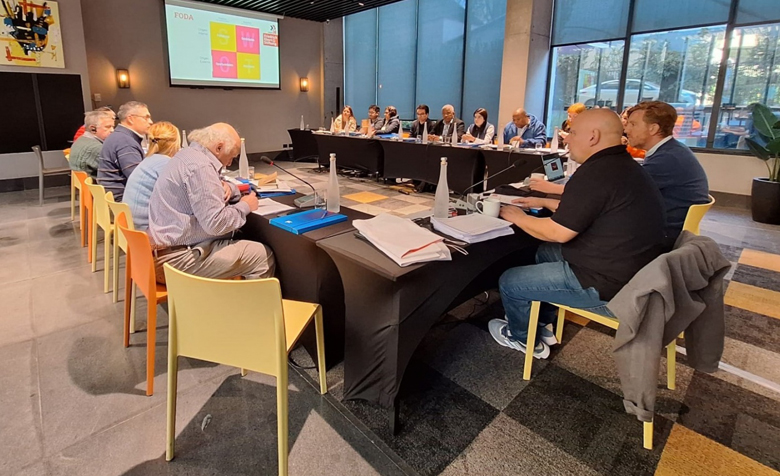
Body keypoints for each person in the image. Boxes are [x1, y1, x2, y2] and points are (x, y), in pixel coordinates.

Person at [489, 109, 666, 358]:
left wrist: (519, 217)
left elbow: (558, 232)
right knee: (545, 253)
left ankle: (523, 339)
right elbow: (588, 208)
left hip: (611, 285)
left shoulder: (596, 173)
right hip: (630, 268)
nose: (567, 139)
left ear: (593, 136)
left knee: (510, 280)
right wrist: (542, 203)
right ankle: (542, 322)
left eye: (572, 133)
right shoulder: (619, 166)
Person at [147, 123, 275, 283]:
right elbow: (215, 224)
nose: (229, 163)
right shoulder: (200, 167)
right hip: (175, 260)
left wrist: (230, 188)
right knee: (262, 255)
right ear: (219, 148)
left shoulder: (188, 155)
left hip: (163, 251)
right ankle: (246, 300)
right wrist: (246, 205)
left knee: (241, 241)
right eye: (231, 156)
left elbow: (218, 186)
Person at [624, 101, 709, 243]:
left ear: (653, 129)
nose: (626, 130)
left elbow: (623, 191)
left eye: (633, 124)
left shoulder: (667, 158)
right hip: (671, 225)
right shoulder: (673, 150)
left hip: (664, 234)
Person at [122, 121, 181, 230]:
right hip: (147, 228)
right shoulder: (166, 164)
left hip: (132, 224)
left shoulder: (148, 160)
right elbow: (182, 198)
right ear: (175, 143)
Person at [97, 101, 153, 201]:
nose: (150, 122)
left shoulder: (119, 136)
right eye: (146, 117)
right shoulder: (125, 142)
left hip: (112, 195)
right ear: (130, 119)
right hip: (121, 199)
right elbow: (139, 179)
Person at [69, 109, 115, 178]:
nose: (112, 130)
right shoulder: (96, 148)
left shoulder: (81, 139)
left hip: (83, 182)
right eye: (107, 127)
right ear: (93, 129)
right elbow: (116, 171)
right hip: (96, 183)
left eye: (113, 127)